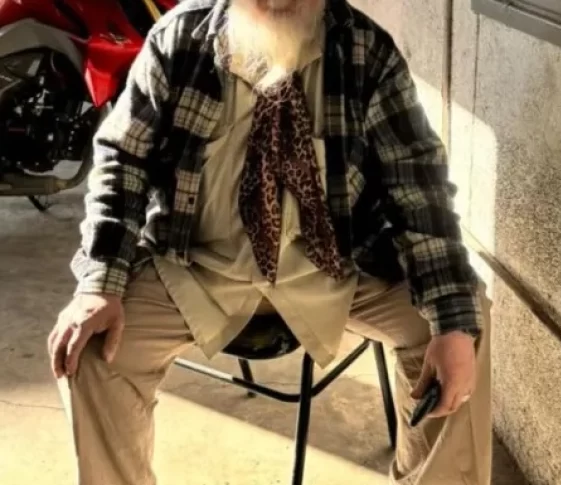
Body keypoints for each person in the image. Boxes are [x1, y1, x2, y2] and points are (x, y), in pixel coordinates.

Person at [47, 0, 492, 483]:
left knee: (462, 320)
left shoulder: (367, 51)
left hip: (336, 270)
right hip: (194, 269)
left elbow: (418, 185)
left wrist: (452, 321)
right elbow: (122, 160)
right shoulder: (180, 39)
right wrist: (100, 284)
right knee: (88, 347)